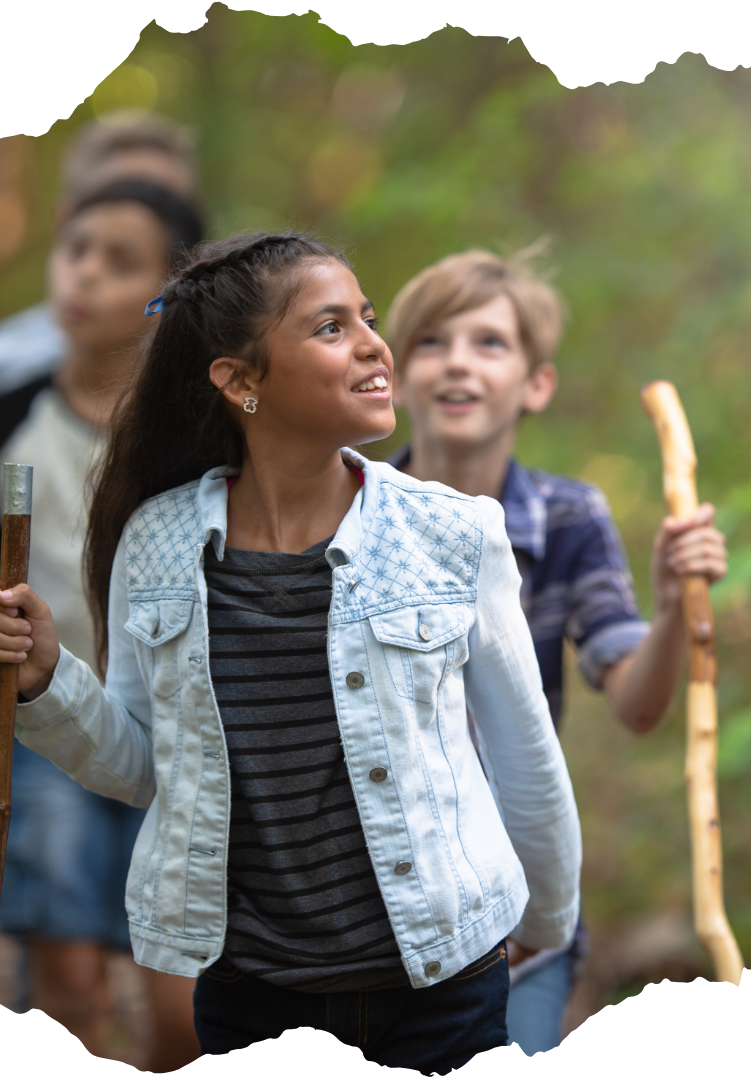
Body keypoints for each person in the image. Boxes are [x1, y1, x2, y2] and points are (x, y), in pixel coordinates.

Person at [0, 232, 581, 1074]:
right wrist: (48, 683)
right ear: (240, 381)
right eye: (332, 328)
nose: (376, 345)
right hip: (254, 994)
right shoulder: (159, 544)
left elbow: (527, 756)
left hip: (442, 982)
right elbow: (142, 764)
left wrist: (547, 929)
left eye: (369, 319)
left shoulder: (454, 534)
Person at [383, 249, 728, 1054]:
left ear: (536, 384)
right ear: (395, 379)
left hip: (519, 916)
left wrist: (675, 608)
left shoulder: (570, 518)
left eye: (490, 343)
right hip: (376, 912)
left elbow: (638, 704)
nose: (459, 362)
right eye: (432, 342)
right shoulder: (348, 510)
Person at [0, 178, 204, 1069]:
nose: (83, 274)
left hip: (181, 732)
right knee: (68, 985)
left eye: (120, 262)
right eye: (76, 248)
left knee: (181, 1005)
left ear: (171, 296)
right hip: (42, 732)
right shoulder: (13, 415)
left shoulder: (200, 436)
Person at [0, 110, 198, 395]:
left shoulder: (215, 393)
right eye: (116, 194)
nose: (135, 213)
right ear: (66, 220)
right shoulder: (11, 373)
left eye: (161, 204)